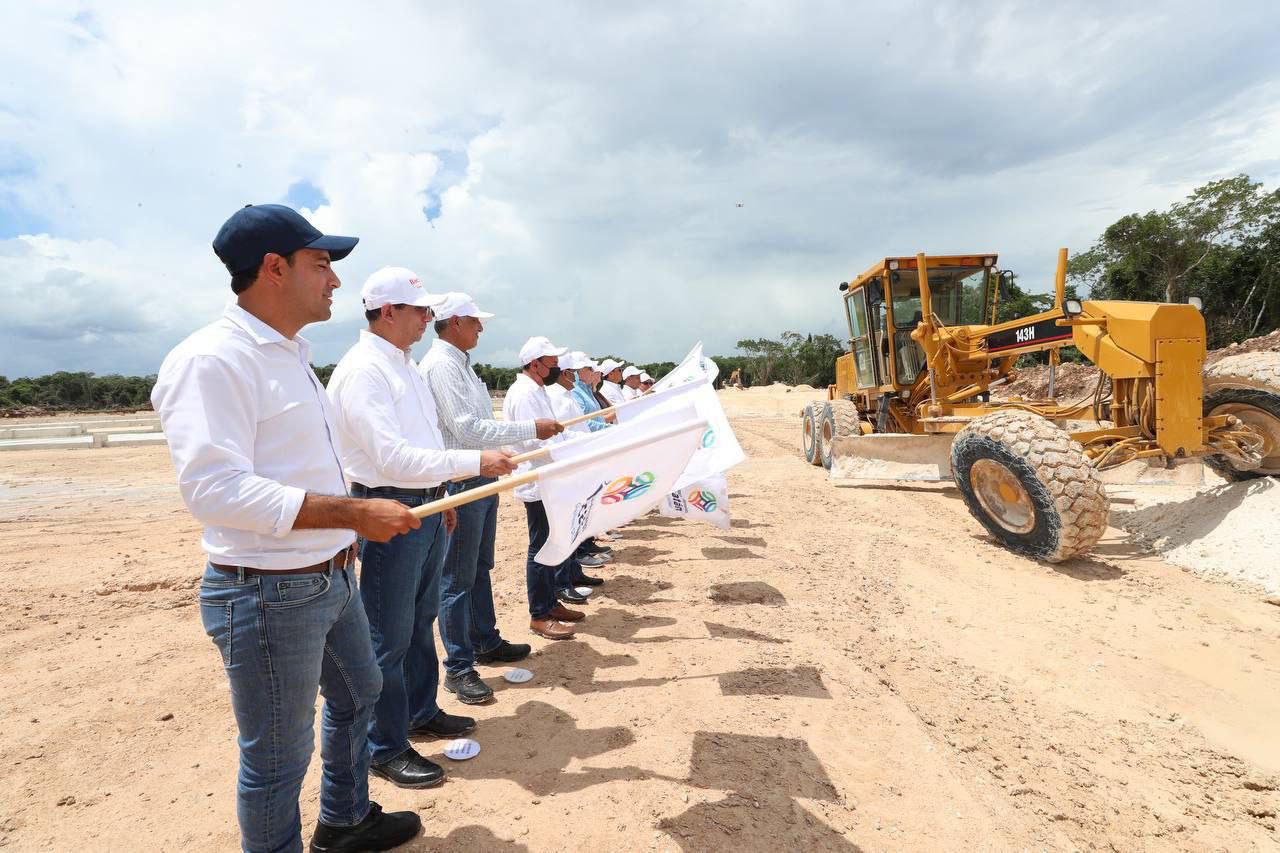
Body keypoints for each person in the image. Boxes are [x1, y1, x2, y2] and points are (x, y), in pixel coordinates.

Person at [152, 204, 421, 853]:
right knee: (276, 760)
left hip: (328, 577)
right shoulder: (212, 360)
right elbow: (215, 490)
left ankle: (345, 817)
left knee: (361, 692)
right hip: (266, 591)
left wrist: (342, 533)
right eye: (322, 264)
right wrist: (354, 512)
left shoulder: (289, 354)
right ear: (275, 267)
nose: (334, 281)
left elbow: (301, 465)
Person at [327, 268, 517, 790]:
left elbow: (426, 441)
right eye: (419, 311)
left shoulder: (403, 365)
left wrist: (442, 495)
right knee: (387, 634)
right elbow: (390, 455)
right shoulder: (365, 370)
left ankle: (418, 710)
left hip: (426, 504)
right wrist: (471, 462)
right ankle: (384, 746)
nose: (426, 320)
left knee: (419, 619)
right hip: (389, 508)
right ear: (388, 312)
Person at [420, 293, 564, 700]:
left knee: (478, 568)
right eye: (475, 321)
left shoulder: (460, 365)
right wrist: (530, 430)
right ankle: (459, 667)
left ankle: (485, 640)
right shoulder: (441, 366)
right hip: (463, 482)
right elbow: (467, 429)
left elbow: (480, 424)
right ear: (455, 323)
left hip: (480, 480)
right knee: (456, 579)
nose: (481, 328)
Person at [502, 336, 588, 639]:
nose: (556, 368)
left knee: (553, 542)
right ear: (535, 365)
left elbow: (556, 437)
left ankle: (550, 601)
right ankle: (539, 613)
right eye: (552, 363)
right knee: (540, 548)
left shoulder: (537, 391)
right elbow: (535, 441)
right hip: (537, 482)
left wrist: (583, 445)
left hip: (550, 479)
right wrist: (574, 451)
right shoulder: (524, 394)